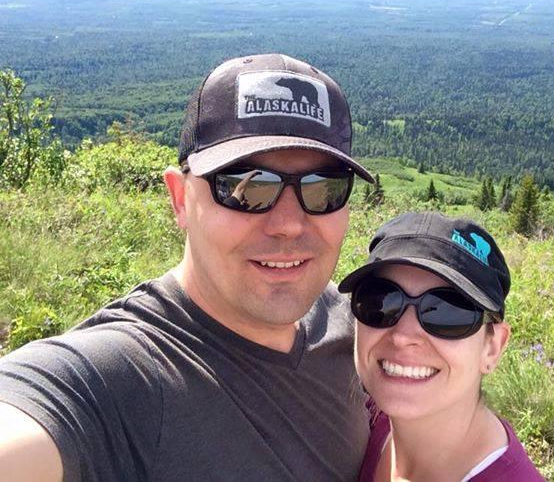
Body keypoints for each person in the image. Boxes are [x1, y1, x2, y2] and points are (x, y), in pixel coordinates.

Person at [0, 54, 375, 481]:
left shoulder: (351, 326)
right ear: (180, 199)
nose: (289, 224)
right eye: (243, 187)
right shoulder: (122, 378)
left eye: (324, 189)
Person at [339, 212, 544, 481]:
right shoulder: (367, 421)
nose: (403, 335)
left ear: (492, 348)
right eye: (380, 301)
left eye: (447, 313)